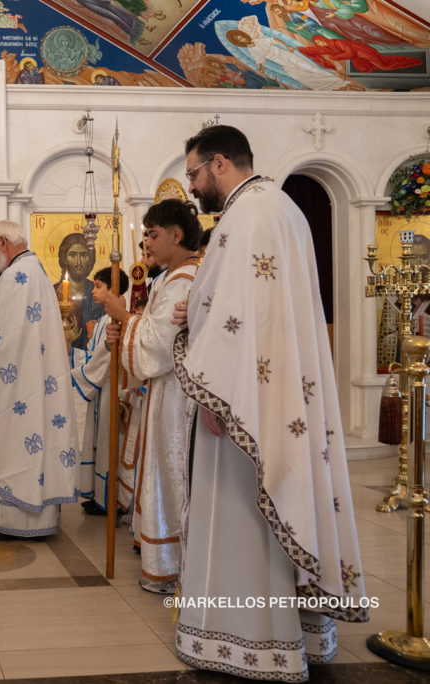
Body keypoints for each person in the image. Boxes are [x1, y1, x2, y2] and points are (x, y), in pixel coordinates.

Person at [172, 125, 367, 679]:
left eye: (193, 173)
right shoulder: (282, 208)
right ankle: (298, 633)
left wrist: (216, 395)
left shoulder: (245, 216)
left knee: (244, 515)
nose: (192, 187)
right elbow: (248, 307)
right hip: (282, 389)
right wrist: (198, 313)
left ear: (218, 164)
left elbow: (239, 324)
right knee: (280, 497)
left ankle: (246, 639)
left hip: (246, 399)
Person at [98, 199, 201, 595]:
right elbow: (150, 335)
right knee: (161, 471)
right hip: (163, 394)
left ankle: (176, 565)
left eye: (153, 236)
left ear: (177, 235)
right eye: (145, 237)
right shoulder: (168, 278)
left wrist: (124, 318)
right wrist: (121, 331)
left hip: (180, 398)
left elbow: (157, 345)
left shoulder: (186, 280)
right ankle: (165, 560)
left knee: (174, 476)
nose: (147, 245)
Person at [0, 220, 78, 539]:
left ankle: (8, 521)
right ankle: (36, 520)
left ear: (3, 243)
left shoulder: (16, 276)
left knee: (15, 442)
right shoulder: (35, 271)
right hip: (31, 379)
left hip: (18, 387)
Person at [71, 266, 129, 515]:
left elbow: (106, 359)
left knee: (108, 441)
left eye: (98, 286)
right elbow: (95, 356)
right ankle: (98, 495)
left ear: (112, 289)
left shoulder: (114, 320)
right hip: (101, 388)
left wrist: (76, 374)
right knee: (99, 440)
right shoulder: (105, 318)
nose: (93, 291)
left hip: (110, 390)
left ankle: (110, 501)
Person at [54, 232, 104, 349]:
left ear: (90, 259)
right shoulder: (53, 293)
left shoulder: (98, 293)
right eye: (72, 255)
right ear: (64, 259)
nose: (78, 262)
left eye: (83, 255)